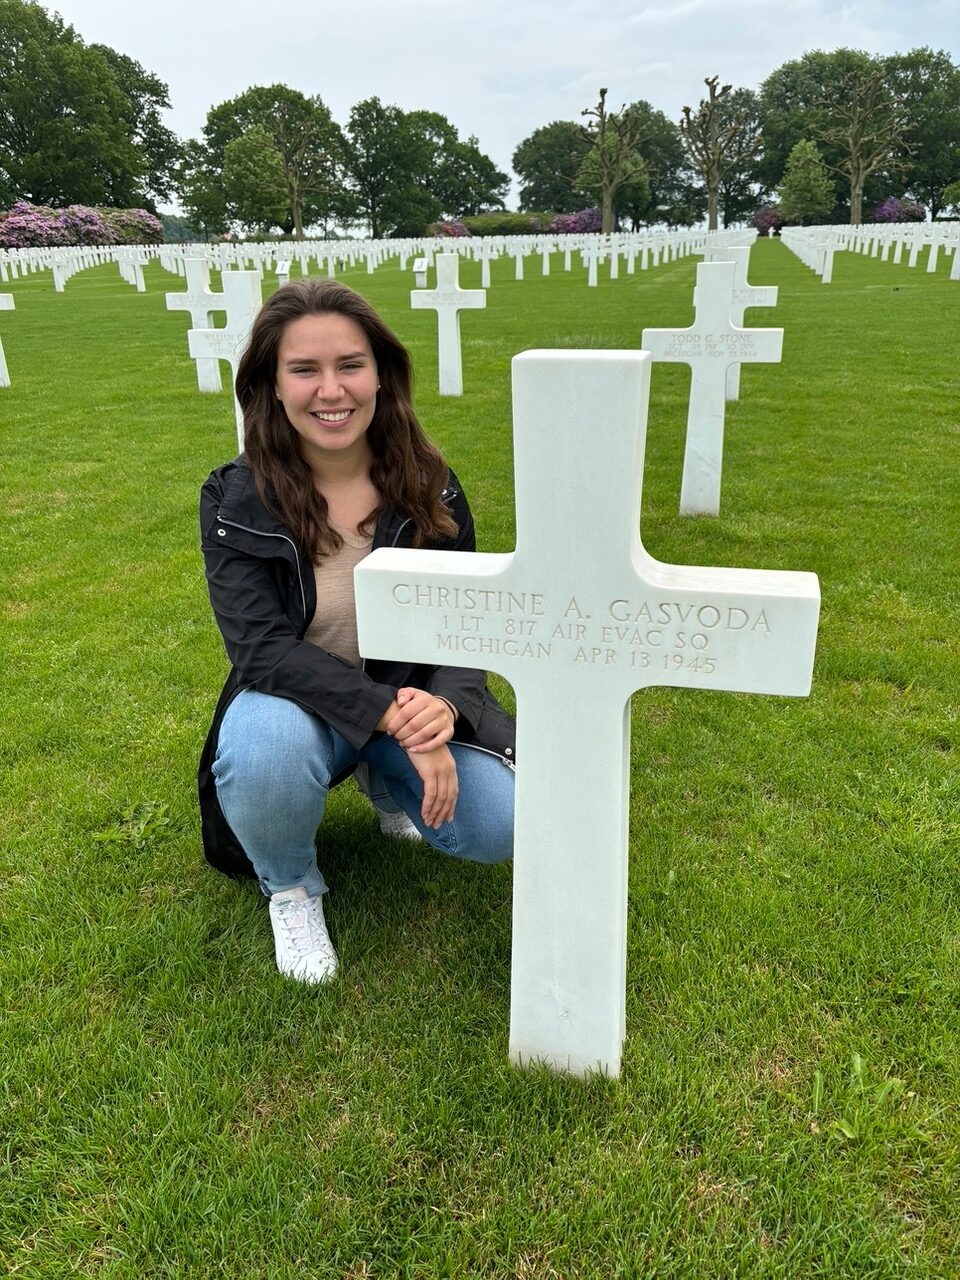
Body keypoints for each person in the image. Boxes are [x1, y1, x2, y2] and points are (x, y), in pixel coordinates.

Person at [197, 278, 515, 985]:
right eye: (303, 369)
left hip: (405, 698)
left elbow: (464, 624)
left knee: (498, 825)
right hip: (296, 702)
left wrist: (449, 706)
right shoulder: (235, 497)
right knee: (261, 754)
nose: (331, 390)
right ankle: (292, 885)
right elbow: (261, 650)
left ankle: (380, 776)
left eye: (349, 364)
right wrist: (392, 717)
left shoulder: (432, 483)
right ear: (271, 385)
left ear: (382, 374)